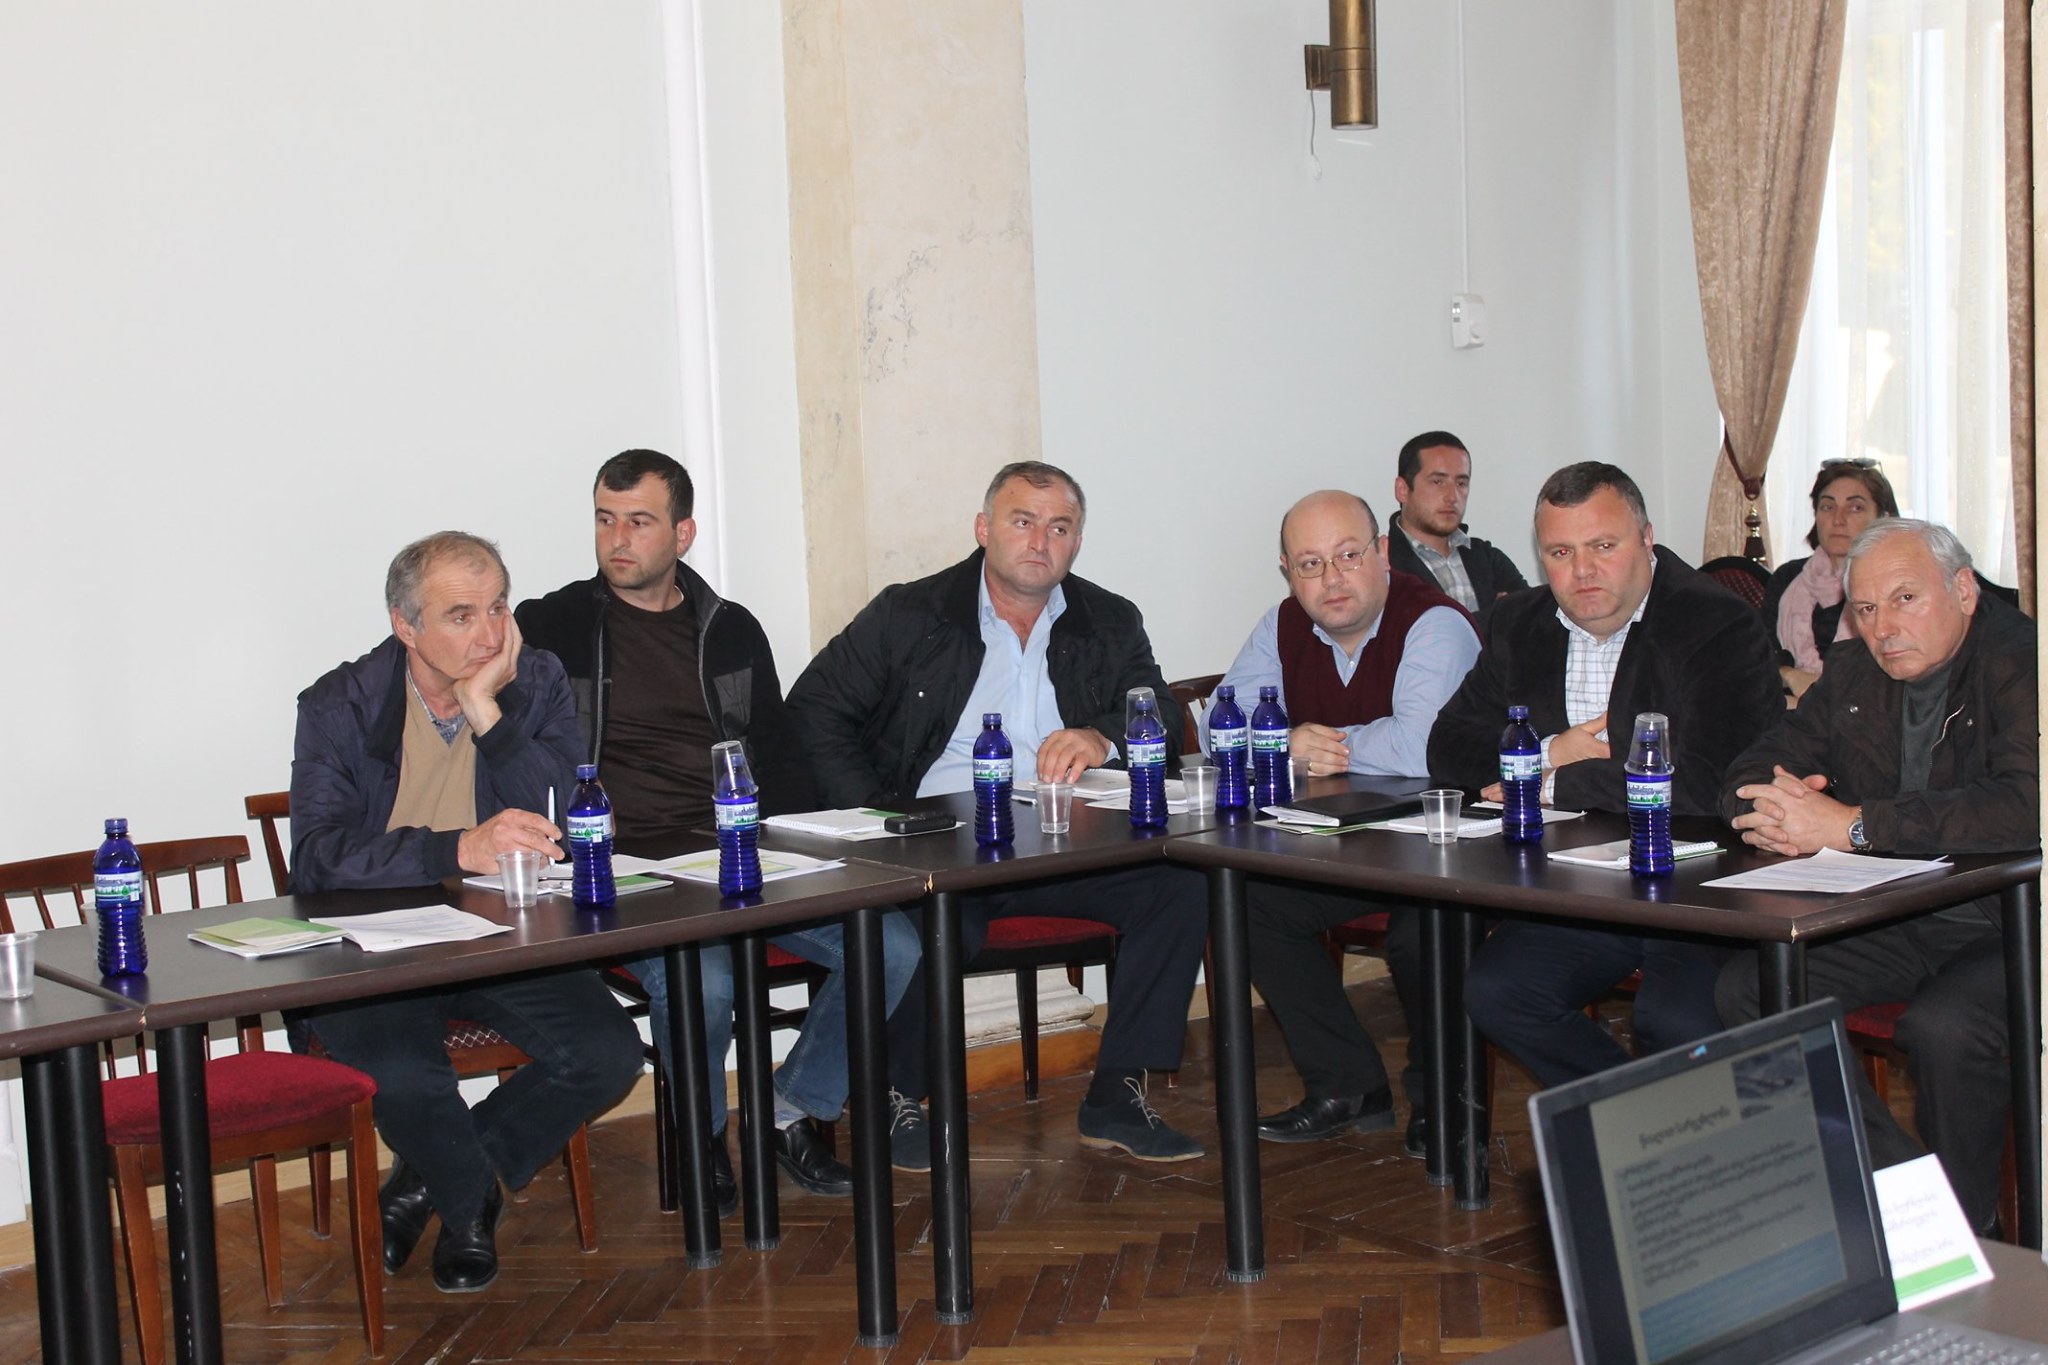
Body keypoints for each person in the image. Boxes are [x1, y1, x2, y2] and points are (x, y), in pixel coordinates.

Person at [516, 449, 918, 1209]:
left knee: (893, 945)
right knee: (705, 979)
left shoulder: (729, 630)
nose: (617, 539)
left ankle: (790, 1108)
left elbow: (782, 757)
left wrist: (810, 854)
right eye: (605, 519)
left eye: (639, 521)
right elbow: (499, 728)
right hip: (622, 869)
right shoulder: (552, 625)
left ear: (683, 533)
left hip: (736, 855)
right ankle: (700, 1135)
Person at [788, 461, 1211, 1163]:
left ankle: (1116, 1094)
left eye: (1060, 527)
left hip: (1065, 836)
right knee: (930, 915)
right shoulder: (911, 613)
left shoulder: (1109, 619)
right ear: (984, 529)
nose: (1040, 541)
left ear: (1077, 543)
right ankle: (895, 1095)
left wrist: (1102, 734)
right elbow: (814, 709)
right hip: (945, 839)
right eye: (1023, 521)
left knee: (1180, 884)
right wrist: (883, 815)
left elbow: (1161, 716)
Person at [290, 532, 644, 1293]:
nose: (488, 634)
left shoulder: (535, 679)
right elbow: (317, 858)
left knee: (609, 1052)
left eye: (497, 608)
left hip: (498, 932)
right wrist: (455, 848)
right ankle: (466, 1206)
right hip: (374, 944)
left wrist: (490, 713)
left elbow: (567, 815)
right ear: (405, 626)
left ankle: (429, 1185)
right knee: (403, 1074)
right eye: (460, 615)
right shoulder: (339, 704)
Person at [1716, 519, 2038, 1234]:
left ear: (1963, 590)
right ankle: (1913, 1205)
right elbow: (1752, 765)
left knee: (1947, 1028)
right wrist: (1768, 812)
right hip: (1897, 910)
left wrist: (1853, 825)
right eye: (1864, 608)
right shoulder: (1857, 669)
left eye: (1904, 599)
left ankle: (1973, 1231)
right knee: (1753, 989)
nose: (1883, 628)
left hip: (2008, 920)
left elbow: (2024, 804)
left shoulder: (2022, 659)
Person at [1426, 463, 1782, 1085]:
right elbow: (1448, 746)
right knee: (1498, 991)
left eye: (1603, 546)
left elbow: (1710, 785)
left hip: (1701, 886)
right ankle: (1628, 1118)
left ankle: (1660, 1128)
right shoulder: (1520, 622)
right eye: (1560, 552)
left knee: (1675, 1020)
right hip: (1576, 885)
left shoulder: (1716, 623)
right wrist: (1546, 754)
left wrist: (1552, 783)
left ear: (1646, 539)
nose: (1582, 571)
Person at [1213, 491, 1480, 1149]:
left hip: (1444, 844)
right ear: (1287, 571)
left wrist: (1318, 746)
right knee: (1245, 904)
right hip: (1344, 842)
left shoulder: (1434, 624)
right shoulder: (1281, 626)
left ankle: (1444, 1097)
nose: (1331, 579)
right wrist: (1285, 743)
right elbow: (1221, 725)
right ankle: (1348, 1084)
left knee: (1423, 933)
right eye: (1310, 564)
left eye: (1348, 556)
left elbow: (1421, 747)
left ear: (1383, 553)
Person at [1762, 459, 1901, 701]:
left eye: (1855, 508)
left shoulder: (1896, 583)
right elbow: (1760, 657)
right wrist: (1790, 675)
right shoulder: (1788, 578)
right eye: (1827, 507)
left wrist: (1819, 695)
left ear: (1883, 518)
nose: (1838, 519)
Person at [1384, 430, 1529, 636]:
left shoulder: (1488, 558)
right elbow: (1416, 639)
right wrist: (1496, 617)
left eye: (1461, 483)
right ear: (1403, 489)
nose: (1452, 496)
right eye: (1437, 481)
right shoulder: (1382, 565)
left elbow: (1534, 622)